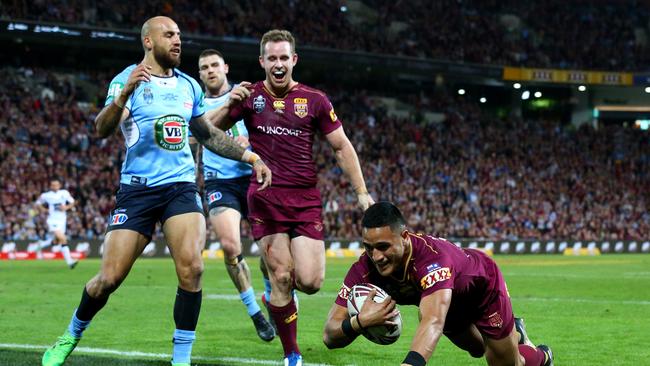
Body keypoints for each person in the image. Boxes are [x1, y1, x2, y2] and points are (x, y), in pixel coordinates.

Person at [41, 16, 271, 366]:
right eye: (169, 35)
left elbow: (208, 135)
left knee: (192, 269)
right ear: (148, 41)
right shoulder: (126, 79)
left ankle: (181, 359)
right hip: (137, 191)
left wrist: (250, 155)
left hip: (180, 188)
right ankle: (71, 333)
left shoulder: (189, 87)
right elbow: (101, 128)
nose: (177, 41)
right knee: (108, 279)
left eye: (179, 35)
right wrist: (125, 94)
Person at [210, 29, 374, 365]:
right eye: (272, 58)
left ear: (294, 60)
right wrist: (228, 104)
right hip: (266, 200)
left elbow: (341, 147)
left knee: (311, 282)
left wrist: (362, 193)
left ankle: (273, 286)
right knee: (283, 275)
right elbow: (207, 132)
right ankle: (292, 354)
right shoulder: (249, 97)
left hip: (304, 200)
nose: (279, 64)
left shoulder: (315, 100)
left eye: (284, 57)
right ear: (262, 61)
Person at [323, 202, 554, 366]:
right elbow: (329, 335)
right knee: (477, 349)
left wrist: (410, 364)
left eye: (383, 247)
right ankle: (515, 333)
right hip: (447, 306)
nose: (376, 256)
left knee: (508, 364)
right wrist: (359, 322)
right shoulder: (364, 269)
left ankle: (542, 356)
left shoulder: (431, 260)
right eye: (368, 247)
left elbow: (432, 320)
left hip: (482, 290)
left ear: (404, 238)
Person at [196, 49, 274, 341]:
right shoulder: (196, 103)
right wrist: (228, 105)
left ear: (225, 67)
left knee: (269, 251)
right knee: (230, 246)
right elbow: (198, 132)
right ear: (200, 73)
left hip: (253, 178)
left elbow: (268, 130)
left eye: (215, 65)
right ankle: (255, 313)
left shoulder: (248, 95)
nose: (210, 70)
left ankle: (268, 297)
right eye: (204, 67)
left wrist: (250, 142)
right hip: (220, 183)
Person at [35, 178, 77, 269]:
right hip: (52, 220)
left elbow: (73, 202)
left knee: (56, 241)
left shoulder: (64, 193)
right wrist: (44, 210)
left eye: (56, 185)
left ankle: (41, 244)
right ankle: (70, 261)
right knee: (63, 238)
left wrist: (66, 207)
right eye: (53, 185)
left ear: (59, 185)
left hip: (62, 220)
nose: (55, 186)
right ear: (50, 186)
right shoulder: (46, 195)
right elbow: (37, 203)